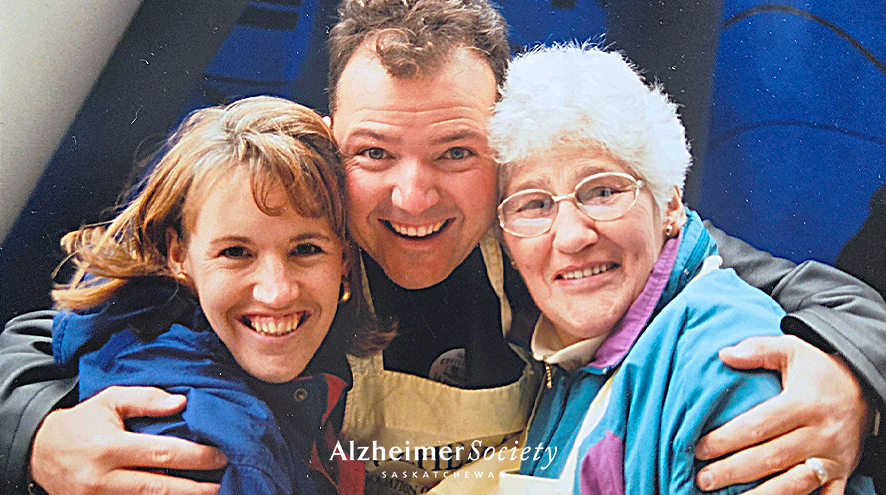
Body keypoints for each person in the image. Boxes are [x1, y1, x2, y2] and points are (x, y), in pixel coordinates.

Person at [1, 1, 884, 494]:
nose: (413, 196)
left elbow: (811, 292)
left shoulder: (556, 250)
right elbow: (43, 333)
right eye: (374, 154)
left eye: (457, 153)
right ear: (328, 142)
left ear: (503, 152)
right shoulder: (282, 251)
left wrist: (852, 375)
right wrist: (35, 432)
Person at [488, 44, 875, 495]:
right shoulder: (577, 350)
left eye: (603, 192)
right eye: (534, 204)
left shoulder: (726, 368)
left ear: (671, 204)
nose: (572, 236)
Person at [49, 96, 386, 495]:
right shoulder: (203, 445)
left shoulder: (130, 321)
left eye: (306, 249)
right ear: (178, 254)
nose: (277, 292)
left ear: (344, 258)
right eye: (236, 252)